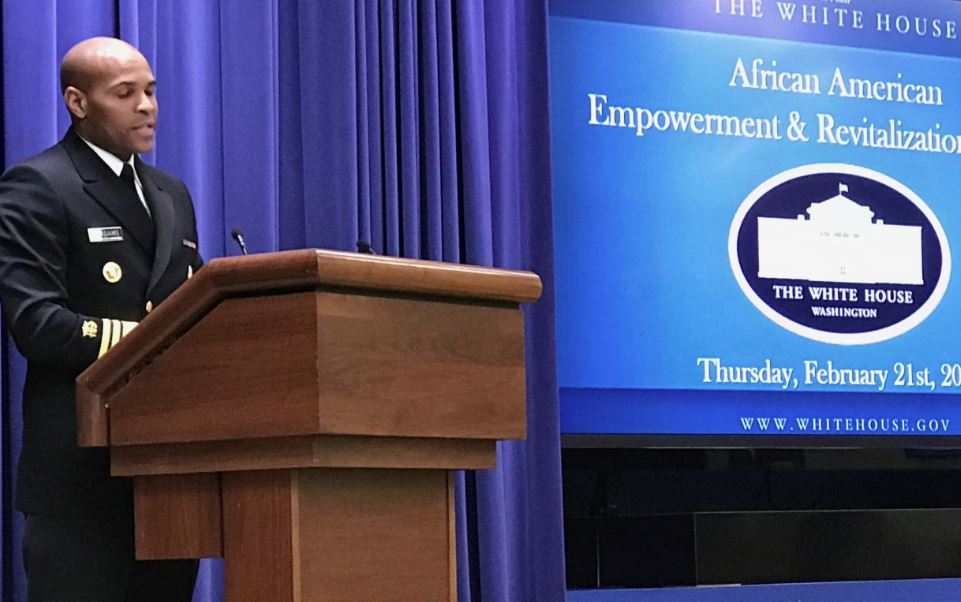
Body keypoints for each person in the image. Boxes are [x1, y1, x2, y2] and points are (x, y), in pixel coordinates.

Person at [0, 37, 202, 600]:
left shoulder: (170, 192)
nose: (147, 106)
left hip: (168, 469)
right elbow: (38, 324)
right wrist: (151, 343)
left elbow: (192, 307)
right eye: (126, 93)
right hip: (82, 474)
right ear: (78, 102)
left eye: (151, 92)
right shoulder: (41, 184)